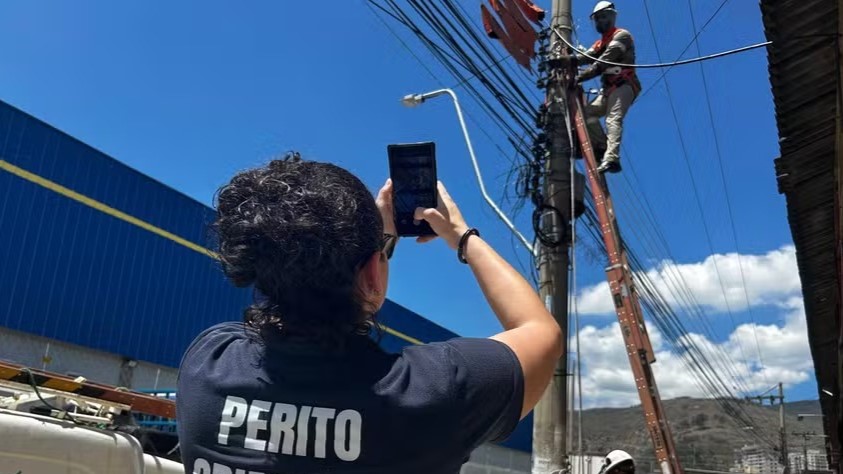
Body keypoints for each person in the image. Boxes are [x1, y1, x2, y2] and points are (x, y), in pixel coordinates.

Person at [175, 153, 563, 474]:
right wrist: (461, 235)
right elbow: (540, 331)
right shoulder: (433, 391)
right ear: (373, 274)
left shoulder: (208, 360)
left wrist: (374, 247)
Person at [576, 1, 642, 174]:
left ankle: (612, 158)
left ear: (613, 16)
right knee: (586, 114)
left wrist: (580, 77)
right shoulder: (600, 43)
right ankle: (600, 146)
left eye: (603, 17)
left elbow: (603, 62)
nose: (600, 22)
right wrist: (566, 60)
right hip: (608, 90)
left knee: (613, 119)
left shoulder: (622, 35)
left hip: (624, 85)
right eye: (597, 19)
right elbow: (585, 57)